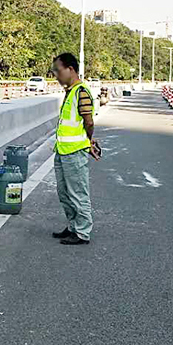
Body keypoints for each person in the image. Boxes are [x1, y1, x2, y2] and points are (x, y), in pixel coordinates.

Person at [51, 52, 101, 246]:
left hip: (74, 151)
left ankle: (82, 232)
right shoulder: (70, 91)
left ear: (70, 69)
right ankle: (72, 226)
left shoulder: (81, 92)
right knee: (64, 192)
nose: (56, 75)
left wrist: (88, 141)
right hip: (62, 150)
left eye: (58, 70)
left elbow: (89, 122)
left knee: (78, 192)